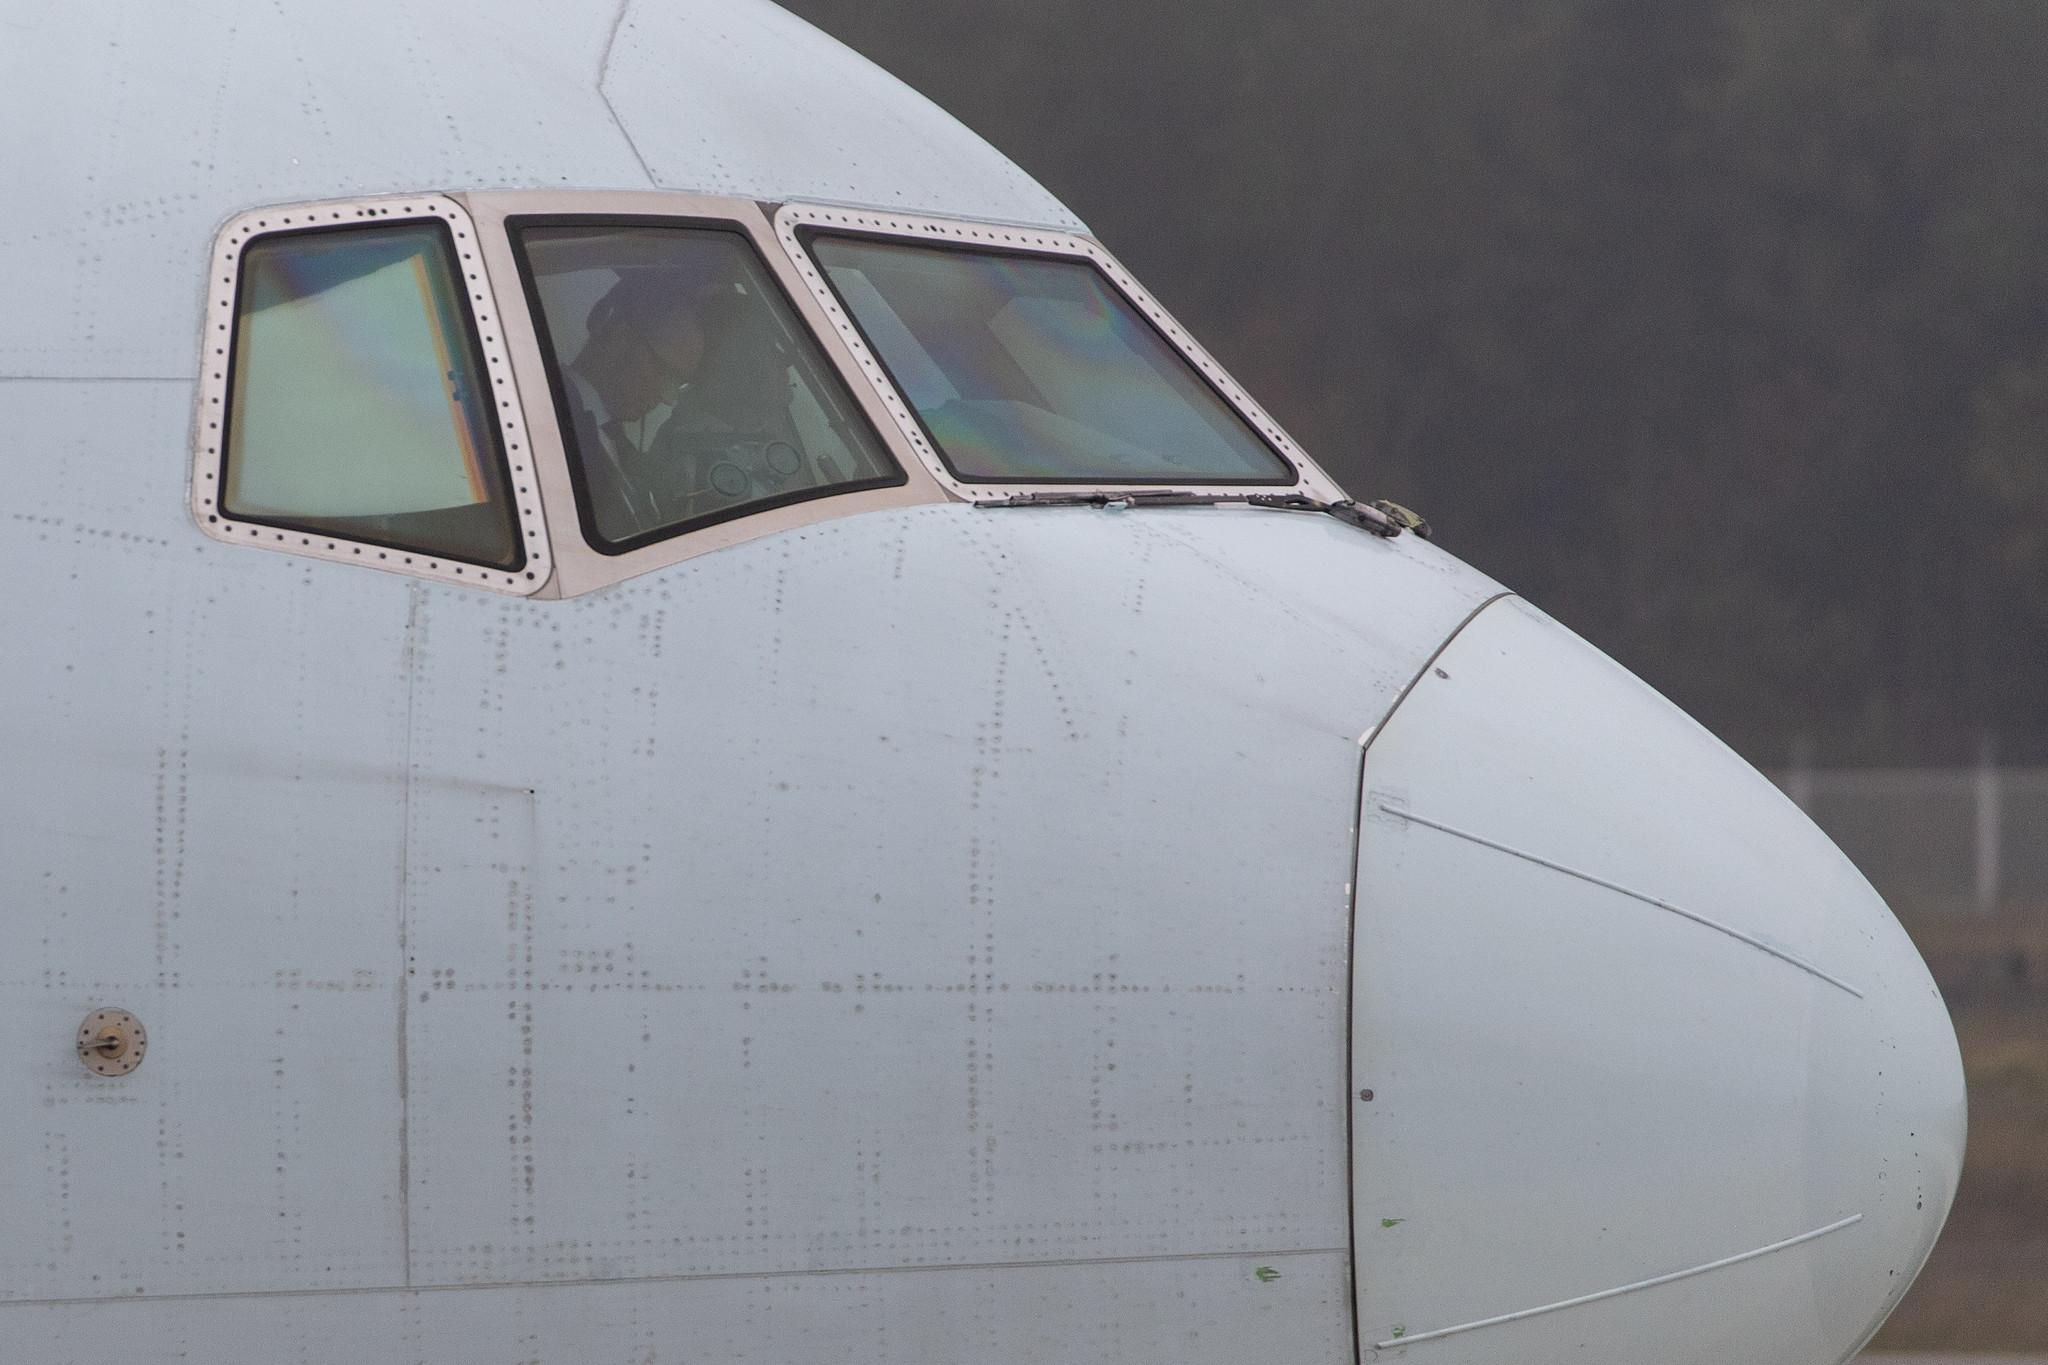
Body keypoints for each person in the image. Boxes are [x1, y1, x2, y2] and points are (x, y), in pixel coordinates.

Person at [561, 270, 712, 539]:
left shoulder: (619, 446)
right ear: (620, 338)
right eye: (667, 373)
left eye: (679, 384)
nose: (668, 398)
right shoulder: (549, 419)